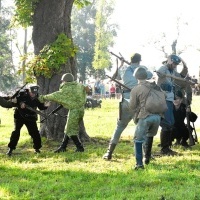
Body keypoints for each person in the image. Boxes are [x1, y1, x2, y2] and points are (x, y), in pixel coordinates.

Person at [102, 53, 153, 160]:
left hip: (125, 101)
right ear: (139, 60)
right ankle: (146, 155)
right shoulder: (142, 69)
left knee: (120, 126)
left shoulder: (124, 69)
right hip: (139, 102)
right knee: (142, 127)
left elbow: (114, 76)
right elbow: (150, 75)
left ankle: (109, 153)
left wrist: (121, 65)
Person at [38, 73, 86, 153]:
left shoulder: (66, 89)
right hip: (80, 110)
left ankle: (80, 147)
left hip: (75, 111)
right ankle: (63, 147)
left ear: (65, 81)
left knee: (71, 130)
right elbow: (85, 90)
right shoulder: (79, 86)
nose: (62, 82)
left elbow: (55, 95)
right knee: (68, 128)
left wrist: (41, 98)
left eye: (63, 81)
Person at [129, 67, 162, 169]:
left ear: (135, 77)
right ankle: (147, 158)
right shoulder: (155, 86)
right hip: (157, 117)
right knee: (149, 135)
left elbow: (132, 106)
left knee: (138, 140)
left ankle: (139, 164)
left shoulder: (136, 89)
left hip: (145, 116)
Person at [156, 54, 188, 155]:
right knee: (167, 123)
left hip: (169, 99)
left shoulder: (173, 71)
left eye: (176, 64)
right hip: (163, 99)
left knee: (170, 122)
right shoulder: (163, 68)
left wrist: (185, 65)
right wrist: (166, 73)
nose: (175, 65)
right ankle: (165, 149)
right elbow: (160, 74)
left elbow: (181, 76)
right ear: (169, 61)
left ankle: (166, 147)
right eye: (174, 63)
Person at [6, 85, 49, 156]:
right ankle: (11, 149)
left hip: (31, 117)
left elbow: (41, 107)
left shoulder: (38, 97)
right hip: (20, 116)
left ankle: (37, 149)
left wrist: (46, 106)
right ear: (29, 91)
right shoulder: (22, 94)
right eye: (32, 93)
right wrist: (20, 103)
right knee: (16, 132)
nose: (33, 94)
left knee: (35, 133)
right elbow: (16, 100)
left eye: (35, 93)